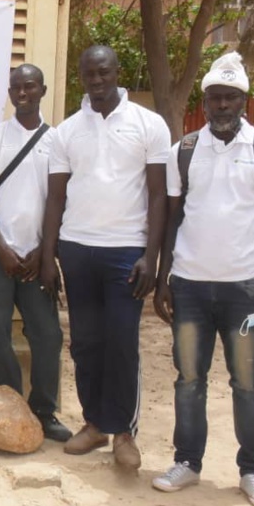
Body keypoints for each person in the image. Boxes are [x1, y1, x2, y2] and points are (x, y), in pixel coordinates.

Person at [152, 52, 254, 506]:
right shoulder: (184, 151)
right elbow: (172, 219)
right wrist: (163, 279)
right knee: (189, 378)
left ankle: (252, 470)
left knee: (247, 381)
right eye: (214, 98)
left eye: (230, 98)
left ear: (243, 101)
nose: (222, 105)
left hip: (247, 289)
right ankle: (187, 462)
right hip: (190, 286)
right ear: (204, 102)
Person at [40, 45, 170, 469]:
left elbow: (158, 195)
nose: (97, 81)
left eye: (104, 72)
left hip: (127, 251)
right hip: (77, 249)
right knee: (85, 343)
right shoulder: (66, 131)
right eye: (89, 74)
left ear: (117, 72)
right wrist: (49, 255)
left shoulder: (148, 124)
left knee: (122, 343)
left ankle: (124, 433)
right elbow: (55, 198)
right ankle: (95, 423)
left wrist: (151, 256)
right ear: (81, 77)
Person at [0, 64, 71, 442]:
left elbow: (59, 200)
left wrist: (46, 253)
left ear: (43, 90)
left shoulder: (57, 141)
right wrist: (1, 247)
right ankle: (10, 408)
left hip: (36, 257)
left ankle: (44, 411)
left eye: (29, 87)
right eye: (16, 88)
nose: (22, 93)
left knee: (48, 335)